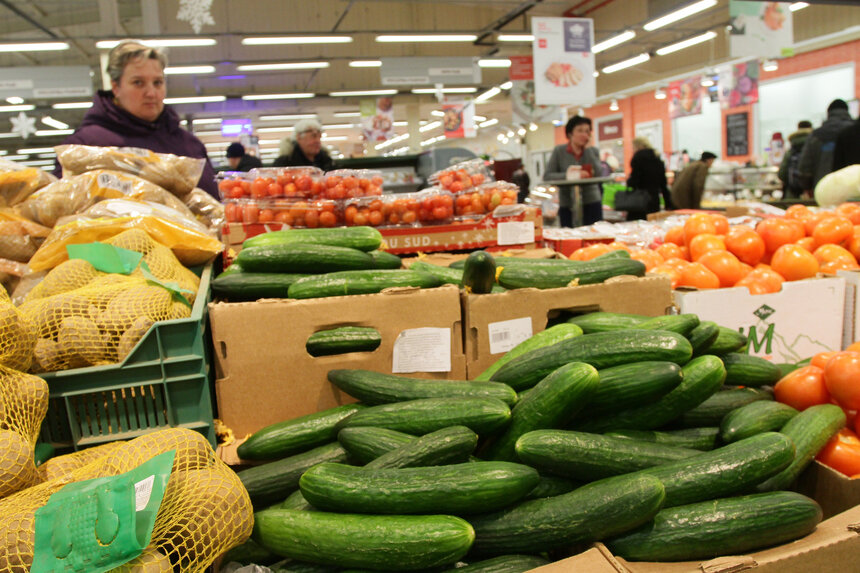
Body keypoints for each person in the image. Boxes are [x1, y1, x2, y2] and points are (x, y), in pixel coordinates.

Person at [54, 40, 218, 197]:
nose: (151, 93)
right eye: (138, 83)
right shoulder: (84, 146)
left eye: (158, 82)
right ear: (116, 87)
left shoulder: (189, 145)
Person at [544, 116, 603, 227]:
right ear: (570, 133)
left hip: (591, 200)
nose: (584, 135)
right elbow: (548, 176)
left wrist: (589, 149)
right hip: (568, 202)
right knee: (569, 237)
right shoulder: (559, 151)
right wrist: (572, 175)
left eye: (587, 131)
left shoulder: (593, 151)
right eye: (580, 131)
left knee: (594, 236)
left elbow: (599, 173)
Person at [796, 99, 854, 193]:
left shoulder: (815, 136)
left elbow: (804, 168)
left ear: (828, 113)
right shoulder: (854, 132)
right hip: (853, 193)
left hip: (823, 191)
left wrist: (807, 187)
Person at [625, 137, 674, 221]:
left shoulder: (637, 158)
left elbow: (634, 181)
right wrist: (668, 203)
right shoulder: (657, 158)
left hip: (639, 201)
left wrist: (628, 181)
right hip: (654, 200)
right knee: (653, 226)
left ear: (637, 146)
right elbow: (663, 184)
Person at [778, 120, 813, 198]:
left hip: (793, 194)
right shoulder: (817, 145)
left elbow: (781, 174)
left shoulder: (791, 150)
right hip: (813, 194)